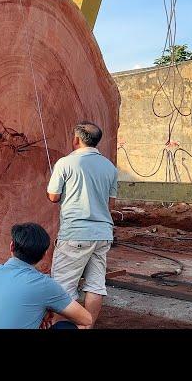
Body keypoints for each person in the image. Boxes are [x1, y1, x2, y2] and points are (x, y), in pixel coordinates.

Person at [47, 121, 118, 328]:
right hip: (103, 233)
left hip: (75, 233)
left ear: (76, 139)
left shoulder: (65, 163)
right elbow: (110, 203)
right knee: (96, 285)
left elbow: (53, 196)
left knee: (63, 287)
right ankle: (86, 327)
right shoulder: (110, 167)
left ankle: (63, 327)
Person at [0, 222, 92, 329]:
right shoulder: (44, 285)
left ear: (11, 246)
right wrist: (48, 309)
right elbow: (86, 320)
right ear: (44, 255)